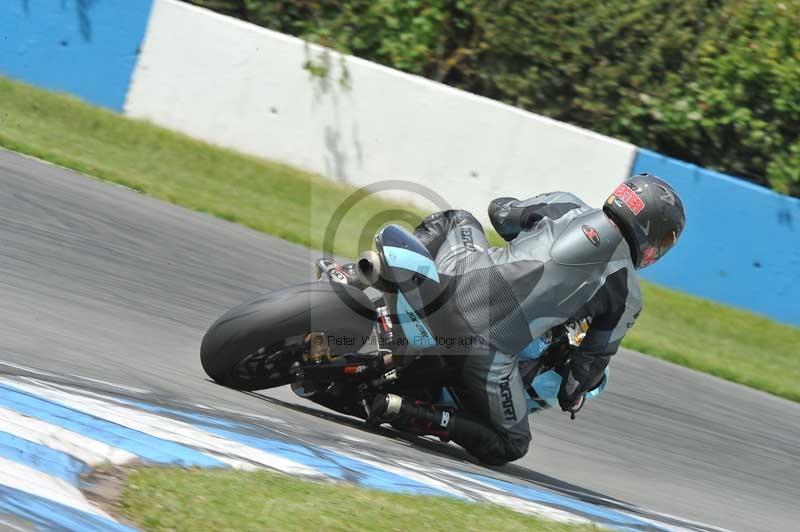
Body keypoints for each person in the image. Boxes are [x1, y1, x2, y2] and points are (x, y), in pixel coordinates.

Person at [366, 173, 686, 465]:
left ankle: (378, 291)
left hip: (455, 276)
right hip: (486, 348)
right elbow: (583, 375)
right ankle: (402, 409)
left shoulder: (565, 203)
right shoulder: (628, 295)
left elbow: (501, 213)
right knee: (512, 444)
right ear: (651, 234)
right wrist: (573, 398)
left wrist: (531, 232)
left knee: (458, 219)